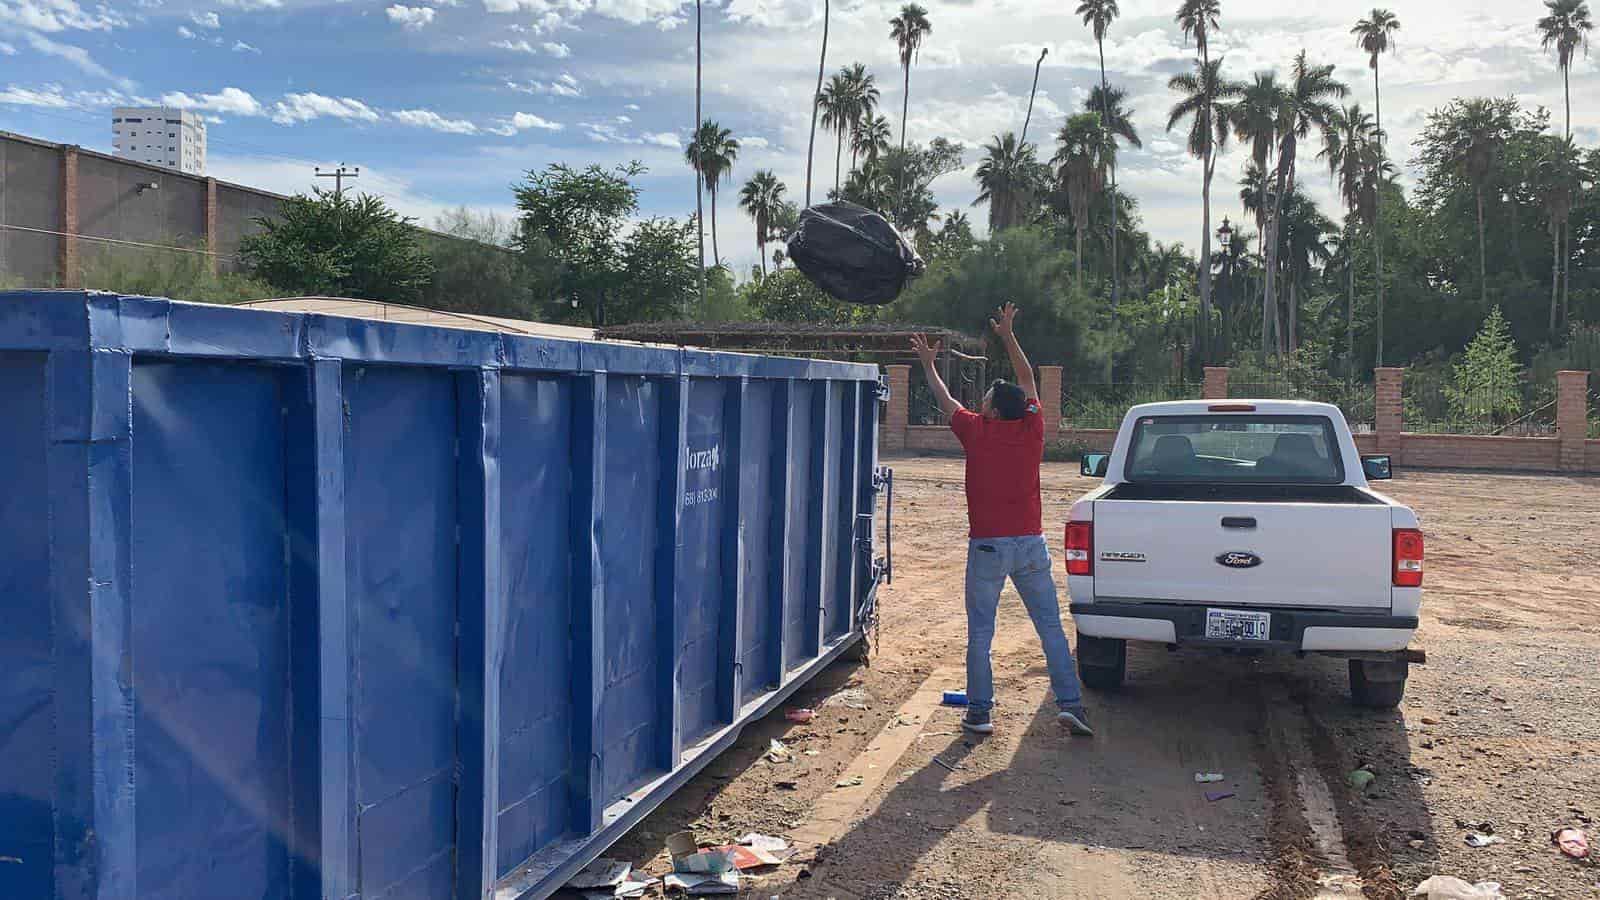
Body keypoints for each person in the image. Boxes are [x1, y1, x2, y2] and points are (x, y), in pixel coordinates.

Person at [909, 303, 1092, 737]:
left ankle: (980, 711)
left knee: (981, 632)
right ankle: (1072, 705)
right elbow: (1027, 380)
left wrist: (928, 365)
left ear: (991, 411)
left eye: (986, 398)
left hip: (988, 547)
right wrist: (1008, 335)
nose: (981, 401)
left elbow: (945, 399)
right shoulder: (1031, 431)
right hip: (1030, 546)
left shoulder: (977, 431)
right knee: (1050, 627)